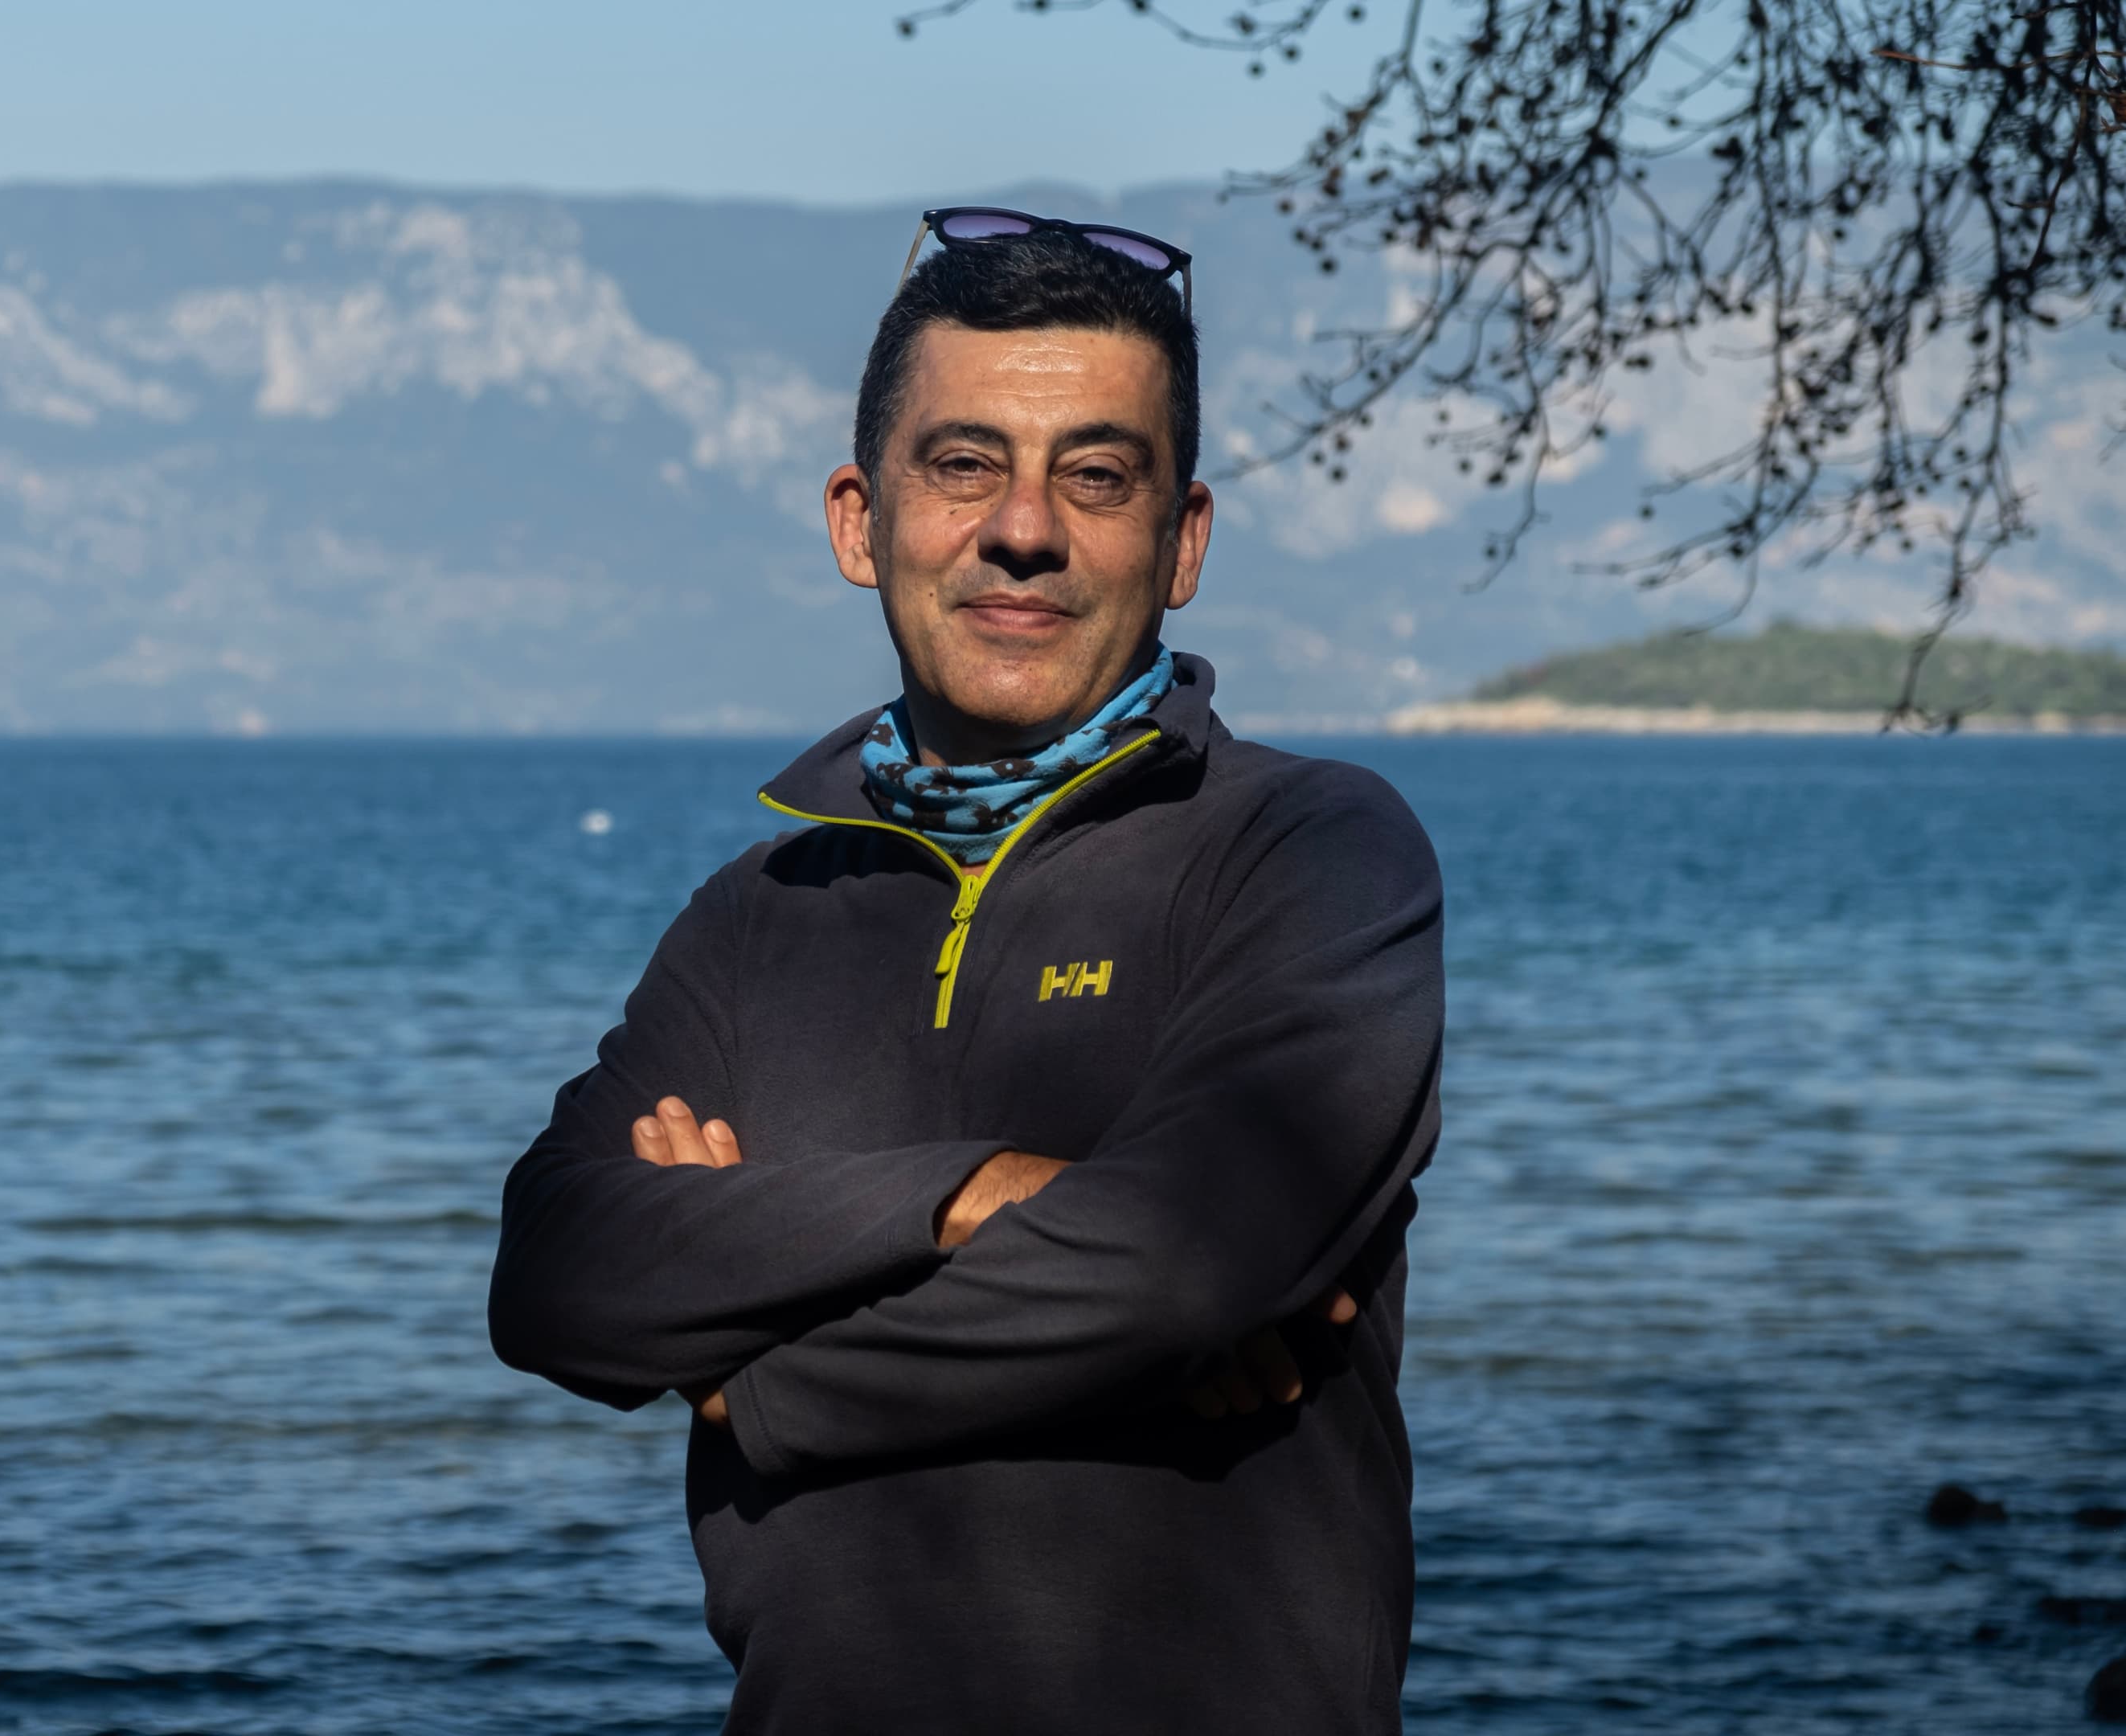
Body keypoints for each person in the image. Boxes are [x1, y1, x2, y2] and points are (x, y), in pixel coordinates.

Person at [487, 212, 1445, 1734]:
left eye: (1097, 475)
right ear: (860, 519)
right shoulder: (760, 913)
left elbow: (1181, 1266)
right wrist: (973, 1191)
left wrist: (757, 1375)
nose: (1024, 529)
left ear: (1182, 541)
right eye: (963, 464)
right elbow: (557, 1273)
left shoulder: (1311, 851)